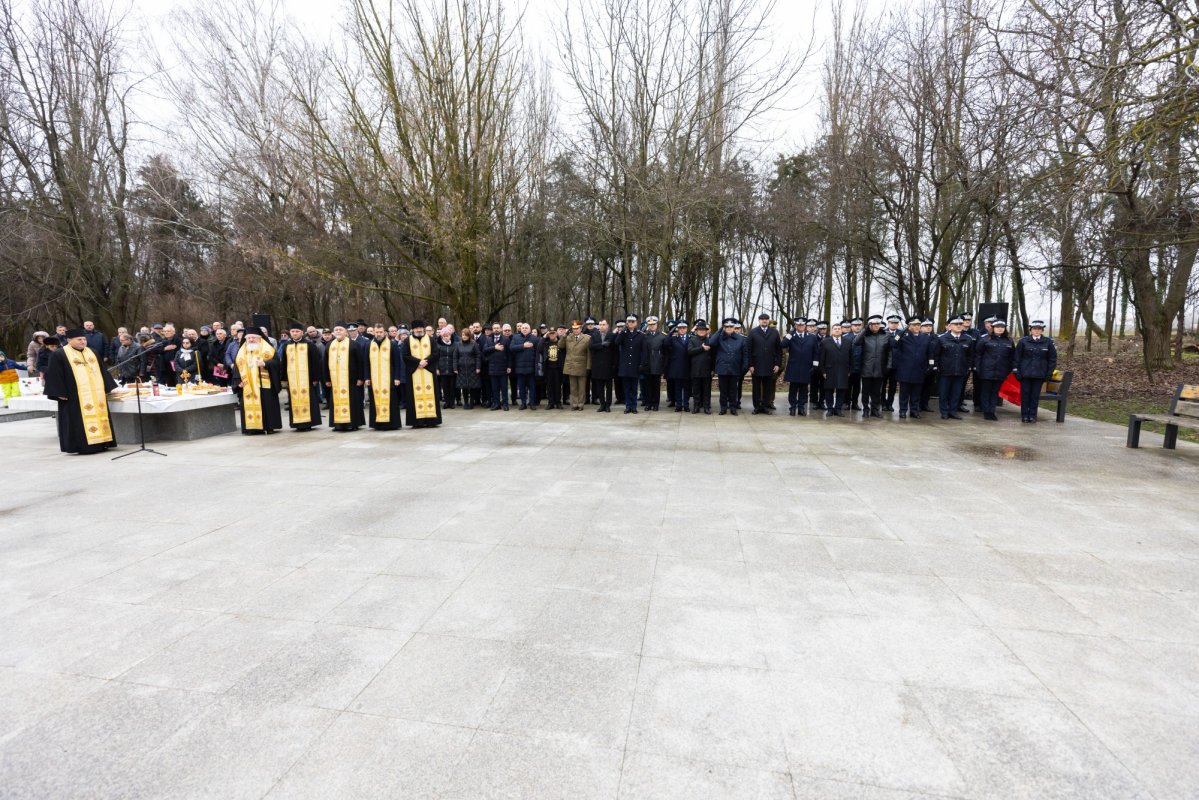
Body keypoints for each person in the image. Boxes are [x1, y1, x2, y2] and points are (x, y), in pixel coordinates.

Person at [42, 328, 118, 454]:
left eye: (84, 339)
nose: (83, 342)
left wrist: (108, 387)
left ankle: (102, 443)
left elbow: (102, 370)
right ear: (69, 340)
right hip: (74, 395)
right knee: (78, 421)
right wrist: (59, 392)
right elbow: (54, 374)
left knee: (101, 418)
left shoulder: (92, 352)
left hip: (96, 394)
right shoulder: (60, 354)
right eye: (79, 339)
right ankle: (82, 446)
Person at [231, 327, 282, 434]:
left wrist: (265, 364)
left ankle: (269, 427)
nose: (251, 340)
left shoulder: (268, 349)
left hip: (264, 384)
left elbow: (277, 363)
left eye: (253, 338)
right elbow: (236, 369)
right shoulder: (241, 351)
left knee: (267, 405)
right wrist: (238, 381)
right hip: (248, 384)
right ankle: (253, 428)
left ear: (259, 338)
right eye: (249, 338)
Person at [279, 321, 324, 431]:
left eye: (297, 331)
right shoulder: (286, 346)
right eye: (292, 331)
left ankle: (308, 423)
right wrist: (284, 378)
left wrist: (316, 378)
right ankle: (297, 424)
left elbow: (316, 362)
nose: (295, 333)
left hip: (307, 379)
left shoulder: (309, 345)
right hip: (292, 380)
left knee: (309, 400)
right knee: (294, 401)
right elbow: (284, 363)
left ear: (302, 332)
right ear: (290, 332)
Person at [400, 320, 442, 428]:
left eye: (420, 328)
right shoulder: (407, 341)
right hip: (414, 372)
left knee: (431, 395)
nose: (418, 330)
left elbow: (436, 354)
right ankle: (417, 422)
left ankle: (431, 421)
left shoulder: (431, 339)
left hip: (429, 371)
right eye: (416, 328)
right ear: (413, 329)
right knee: (414, 397)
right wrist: (418, 362)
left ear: (423, 328)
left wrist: (426, 362)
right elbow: (405, 356)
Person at [931, 315, 974, 420]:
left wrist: (967, 367)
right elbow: (935, 354)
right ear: (950, 326)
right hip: (945, 371)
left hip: (960, 371)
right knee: (944, 393)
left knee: (956, 393)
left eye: (960, 324)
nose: (959, 326)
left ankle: (953, 411)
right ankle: (944, 412)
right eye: (956, 324)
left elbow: (970, 355)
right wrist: (936, 367)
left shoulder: (968, 339)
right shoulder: (941, 338)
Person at [1013, 320, 1057, 423]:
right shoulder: (1023, 341)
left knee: (1035, 396)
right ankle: (1024, 415)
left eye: (1039, 329)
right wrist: (1016, 371)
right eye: (1034, 329)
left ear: (1042, 330)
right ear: (1031, 330)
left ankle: (1032, 416)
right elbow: (1016, 358)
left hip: (1039, 374)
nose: (1036, 331)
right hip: (1025, 374)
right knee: (1025, 395)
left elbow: (1052, 359)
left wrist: (1049, 373)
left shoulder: (1048, 342)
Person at [325, 322, 366, 431]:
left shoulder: (354, 345)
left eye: (340, 329)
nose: (338, 331)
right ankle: (338, 424)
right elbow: (324, 363)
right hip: (335, 381)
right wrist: (327, 379)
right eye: (336, 330)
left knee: (352, 402)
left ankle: (353, 424)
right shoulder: (329, 345)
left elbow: (360, 362)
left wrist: (360, 378)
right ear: (333, 332)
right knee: (336, 403)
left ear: (345, 332)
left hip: (351, 381)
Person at [893, 317, 933, 418]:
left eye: (918, 325)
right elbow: (894, 343)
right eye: (914, 325)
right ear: (909, 326)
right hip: (905, 369)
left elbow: (930, 353)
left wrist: (931, 364)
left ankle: (914, 411)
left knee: (916, 393)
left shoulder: (925, 337)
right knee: (904, 393)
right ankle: (903, 411)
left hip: (919, 369)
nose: (917, 327)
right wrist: (902, 331)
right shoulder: (903, 337)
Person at [975, 319, 1014, 421]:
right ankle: (986, 411)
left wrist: (1008, 370)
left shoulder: (1009, 341)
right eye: (997, 327)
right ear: (993, 328)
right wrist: (978, 369)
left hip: (1001, 370)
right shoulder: (985, 339)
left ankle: (992, 411)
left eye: (1002, 327)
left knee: (995, 392)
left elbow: (1011, 357)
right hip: (986, 370)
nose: (1000, 329)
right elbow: (978, 355)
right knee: (986, 391)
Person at [854, 315, 892, 418]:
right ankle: (866, 409)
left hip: (880, 368)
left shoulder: (886, 335)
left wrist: (889, 365)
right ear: (869, 325)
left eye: (878, 324)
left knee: (876, 392)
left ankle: (875, 410)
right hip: (867, 367)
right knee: (865, 391)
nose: (876, 325)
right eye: (873, 324)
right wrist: (864, 330)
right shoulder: (865, 335)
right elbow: (856, 342)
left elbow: (889, 351)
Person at [367, 324, 403, 429]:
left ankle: (392, 424)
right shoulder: (369, 345)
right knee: (375, 401)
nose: (378, 334)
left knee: (391, 401)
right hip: (374, 380)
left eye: (380, 332)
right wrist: (367, 378)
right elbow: (366, 363)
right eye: (377, 332)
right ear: (374, 332)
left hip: (389, 379)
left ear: (384, 332)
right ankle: (377, 424)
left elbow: (397, 363)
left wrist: (397, 377)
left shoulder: (392, 344)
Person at [782, 316, 819, 416]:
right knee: (793, 388)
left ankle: (801, 407)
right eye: (798, 325)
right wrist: (790, 333)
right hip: (793, 366)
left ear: (805, 326)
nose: (801, 326)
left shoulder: (812, 337)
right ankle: (792, 407)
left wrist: (815, 365)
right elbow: (783, 345)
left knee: (804, 388)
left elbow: (816, 352)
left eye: (802, 325)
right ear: (795, 326)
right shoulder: (791, 336)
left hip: (807, 366)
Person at [748, 312, 782, 414]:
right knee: (756, 387)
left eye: (766, 319)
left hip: (770, 364)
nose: (764, 321)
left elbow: (778, 350)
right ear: (759, 321)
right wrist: (750, 365)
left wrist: (777, 364)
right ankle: (757, 407)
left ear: (768, 320)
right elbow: (748, 350)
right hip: (756, 364)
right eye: (762, 319)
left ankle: (765, 406)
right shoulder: (753, 332)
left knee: (768, 387)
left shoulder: (774, 332)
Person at [712, 318, 748, 415]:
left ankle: (733, 408)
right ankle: (723, 408)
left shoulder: (741, 338)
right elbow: (711, 342)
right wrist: (720, 330)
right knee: (723, 390)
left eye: (731, 326)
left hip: (735, 367)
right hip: (722, 367)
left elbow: (745, 353)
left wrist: (745, 366)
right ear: (724, 327)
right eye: (726, 326)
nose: (729, 328)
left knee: (733, 390)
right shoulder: (719, 337)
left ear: (734, 327)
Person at [819, 322, 853, 416]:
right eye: (835, 329)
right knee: (829, 390)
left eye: (839, 329)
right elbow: (821, 358)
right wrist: (823, 371)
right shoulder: (825, 342)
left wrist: (850, 370)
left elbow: (851, 357)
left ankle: (838, 409)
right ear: (831, 331)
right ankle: (830, 409)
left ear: (841, 330)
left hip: (843, 370)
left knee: (841, 390)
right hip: (829, 370)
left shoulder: (848, 342)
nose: (837, 330)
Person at [615, 314, 646, 414]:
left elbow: (643, 351)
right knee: (627, 388)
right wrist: (623, 331)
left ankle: (634, 406)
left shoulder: (641, 335)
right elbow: (616, 342)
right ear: (627, 323)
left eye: (633, 322)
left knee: (634, 388)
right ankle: (628, 406)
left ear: (636, 323)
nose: (631, 323)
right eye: (629, 322)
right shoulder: (623, 333)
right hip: (625, 366)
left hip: (635, 365)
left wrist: (642, 364)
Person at [509, 322, 539, 410]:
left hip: (531, 368)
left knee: (532, 387)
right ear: (520, 329)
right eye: (523, 328)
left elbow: (538, 352)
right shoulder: (515, 337)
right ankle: (523, 403)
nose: (524, 329)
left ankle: (532, 403)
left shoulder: (535, 339)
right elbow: (511, 348)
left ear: (530, 329)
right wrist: (523, 346)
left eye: (526, 328)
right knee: (521, 388)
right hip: (519, 368)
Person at [640, 316, 668, 410]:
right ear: (648, 325)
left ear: (657, 324)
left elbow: (665, 352)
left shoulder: (662, 336)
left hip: (657, 363)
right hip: (647, 363)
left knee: (656, 385)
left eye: (654, 324)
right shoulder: (644, 336)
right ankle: (648, 403)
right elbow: (642, 351)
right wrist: (643, 364)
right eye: (650, 324)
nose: (652, 326)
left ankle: (655, 404)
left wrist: (663, 365)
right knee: (648, 385)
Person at [562, 321, 591, 411]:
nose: (575, 330)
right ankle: (574, 404)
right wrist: (564, 335)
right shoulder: (568, 337)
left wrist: (588, 366)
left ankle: (581, 404)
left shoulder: (587, 338)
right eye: (573, 329)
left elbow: (589, 354)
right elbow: (560, 345)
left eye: (577, 328)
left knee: (582, 387)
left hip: (582, 365)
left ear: (581, 329)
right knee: (573, 387)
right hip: (571, 365)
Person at [687, 320, 714, 413]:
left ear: (706, 331)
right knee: (696, 390)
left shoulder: (710, 340)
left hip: (707, 370)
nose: (702, 331)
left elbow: (713, 356)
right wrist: (701, 348)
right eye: (699, 330)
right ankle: (696, 407)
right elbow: (690, 351)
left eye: (703, 330)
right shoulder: (692, 340)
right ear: (696, 331)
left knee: (707, 390)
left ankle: (706, 407)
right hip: (695, 369)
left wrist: (713, 369)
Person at [589, 319, 616, 412]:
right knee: (599, 387)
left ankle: (608, 405)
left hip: (608, 366)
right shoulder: (594, 335)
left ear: (607, 326)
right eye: (600, 325)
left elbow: (615, 351)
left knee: (609, 388)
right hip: (598, 366)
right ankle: (602, 404)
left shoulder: (612, 336)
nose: (602, 326)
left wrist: (614, 364)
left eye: (604, 324)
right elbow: (591, 346)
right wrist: (602, 344)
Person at [483, 323, 512, 410]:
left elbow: (509, 354)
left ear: (500, 329)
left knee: (504, 387)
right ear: (492, 329)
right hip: (492, 367)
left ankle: (505, 404)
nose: (496, 329)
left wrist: (509, 366)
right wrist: (494, 347)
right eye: (494, 328)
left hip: (503, 367)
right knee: (494, 388)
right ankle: (496, 404)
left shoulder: (506, 339)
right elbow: (484, 350)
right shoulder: (488, 339)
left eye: (497, 328)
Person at [665, 320, 692, 412]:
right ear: (677, 329)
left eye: (684, 328)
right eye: (680, 328)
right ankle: (679, 405)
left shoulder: (691, 338)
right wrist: (671, 331)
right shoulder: (673, 338)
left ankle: (686, 405)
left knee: (687, 388)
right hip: (677, 367)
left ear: (686, 329)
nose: (682, 329)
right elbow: (665, 343)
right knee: (677, 388)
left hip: (688, 367)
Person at [455, 328, 483, 409]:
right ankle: (466, 402)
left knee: (472, 386)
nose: (464, 336)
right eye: (463, 335)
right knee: (464, 387)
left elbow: (478, 356)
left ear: (469, 336)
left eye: (466, 335)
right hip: (462, 369)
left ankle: (471, 402)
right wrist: (455, 368)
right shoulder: (458, 344)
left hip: (472, 368)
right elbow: (455, 357)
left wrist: (478, 367)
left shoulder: (474, 344)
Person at [435, 324, 459, 409]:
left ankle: (452, 402)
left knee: (452, 387)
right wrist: (437, 368)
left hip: (452, 369)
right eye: (444, 336)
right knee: (445, 387)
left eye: (447, 335)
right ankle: (447, 402)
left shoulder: (455, 345)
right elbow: (436, 358)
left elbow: (456, 357)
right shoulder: (438, 345)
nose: (446, 337)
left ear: (450, 336)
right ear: (442, 336)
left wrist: (456, 368)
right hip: (442, 369)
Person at [541, 326, 565, 409]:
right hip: (548, 368)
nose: (552, 335)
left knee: (558, 386)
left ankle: (558, 402)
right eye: (550, 333)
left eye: (553, 333)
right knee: (549, 386)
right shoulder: (546, 343)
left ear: (556, 334)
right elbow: (539, 348)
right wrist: (544, 337)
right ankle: (550, 402)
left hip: (558, 368)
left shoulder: (560, 342)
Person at [883, 314, 903, 410]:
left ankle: (890, 404)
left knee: (893, 386)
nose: (894, 324)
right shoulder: (883, 332)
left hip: (896, 364)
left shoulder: (902, 333)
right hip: (884, 364)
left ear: (898, 324)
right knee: (882, 385)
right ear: (888, 323)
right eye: (892, 323)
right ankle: (883, 403)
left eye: (896, 323)